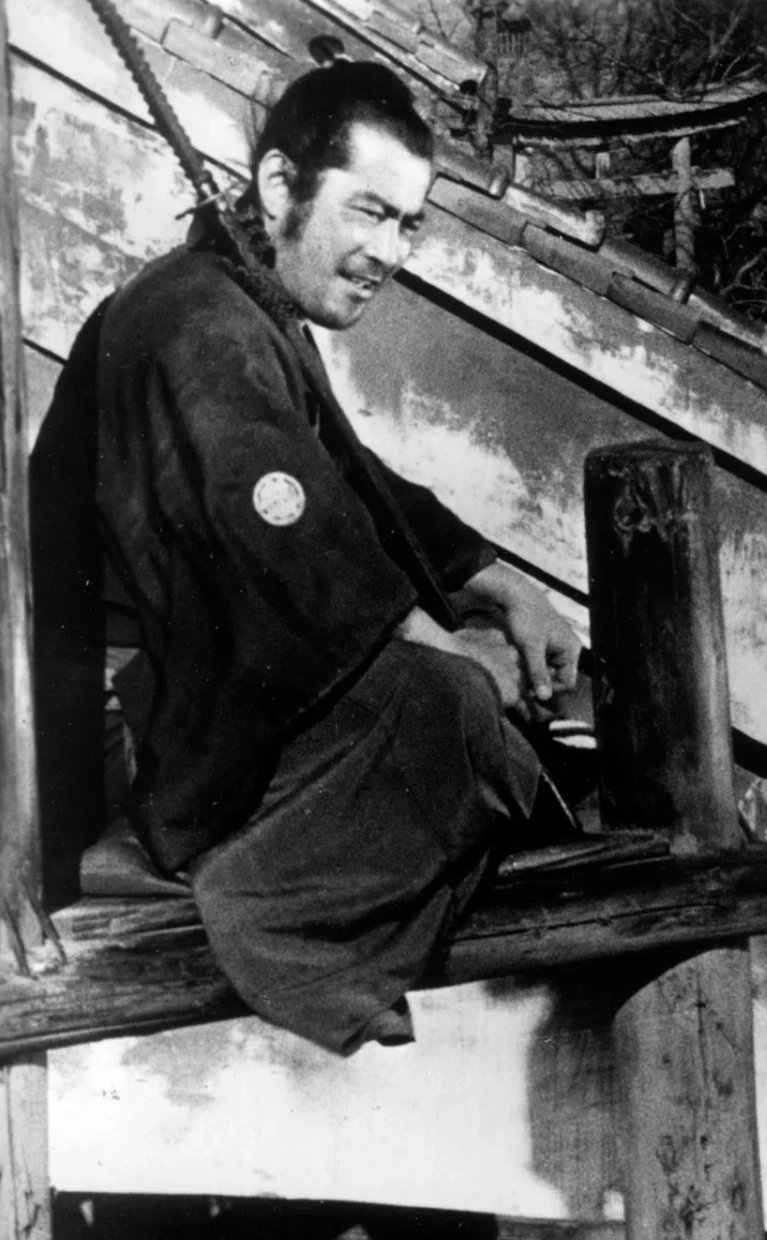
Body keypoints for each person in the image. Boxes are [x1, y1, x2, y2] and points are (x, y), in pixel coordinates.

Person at [43, 62, 584, 1055]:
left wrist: (502, 586)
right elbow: (289, 538)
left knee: (481, 712)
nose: (388, 251)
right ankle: (273, 921)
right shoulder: (190, 318)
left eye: (408, 224)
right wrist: (447, 651)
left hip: (192, 697)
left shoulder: (248, 311)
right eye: (368, 211)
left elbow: (346, 480)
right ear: (281, 183)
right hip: (117, 737)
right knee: (453, 710)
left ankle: (324, 908)